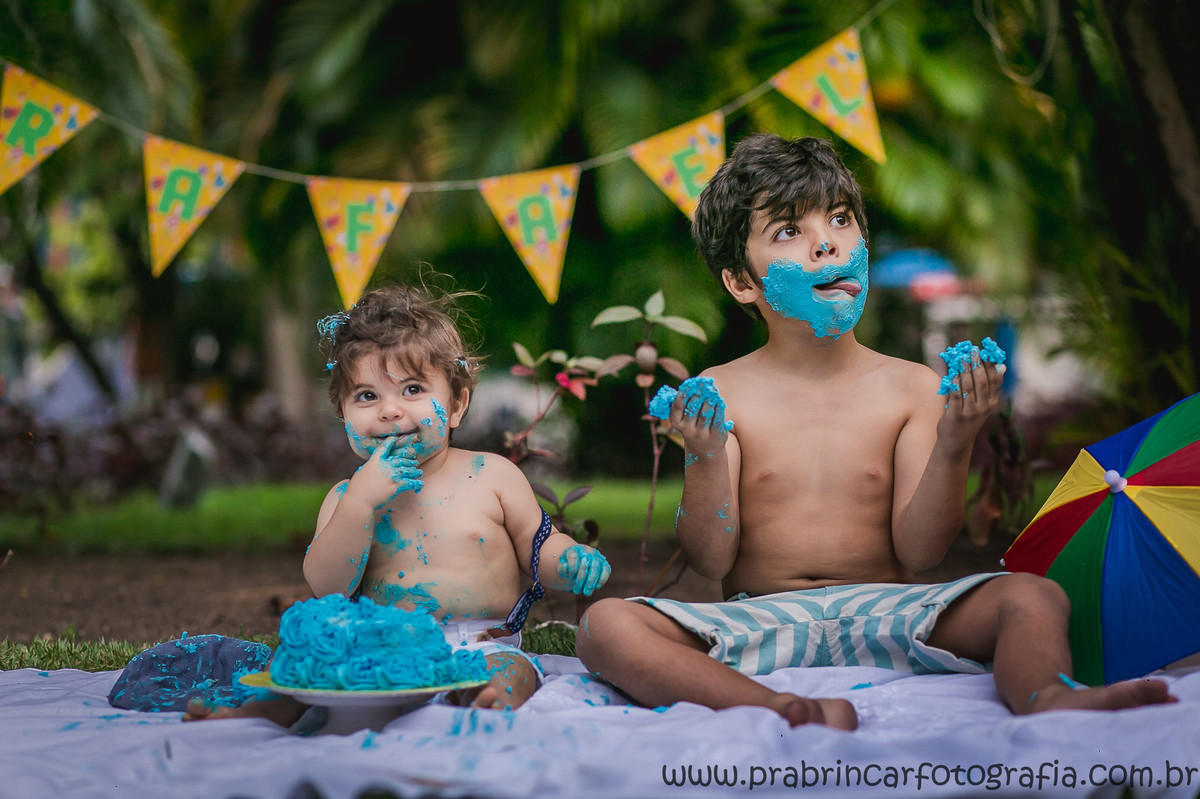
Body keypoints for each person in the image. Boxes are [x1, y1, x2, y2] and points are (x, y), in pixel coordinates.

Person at [574, 134, 1174, 731]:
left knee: (1033, 597)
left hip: (889, 611)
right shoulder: (723, 392)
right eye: (789, 231)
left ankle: (1047, 695)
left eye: (840, 219)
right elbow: (711, 557)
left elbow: (921, 551)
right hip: (761, 618)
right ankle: (777, 709)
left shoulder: (912, 388)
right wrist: (704, 457)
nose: (826, 243)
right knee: (609, 625)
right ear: (742, 283)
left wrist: (956, 438)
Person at [187, 283, 610, 723]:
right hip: (379, 652)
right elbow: (326, 586)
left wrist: (569, 561)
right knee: (310, 674)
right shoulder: (346, 498)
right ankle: (259, 711)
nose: (389, 410)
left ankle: (489, 708)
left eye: (411, 389)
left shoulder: (492, 475)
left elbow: (538, 544)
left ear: (458, 404)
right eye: (367, 396)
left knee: (510, 673)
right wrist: (361, 504)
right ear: (344, 415)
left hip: (479, 646)